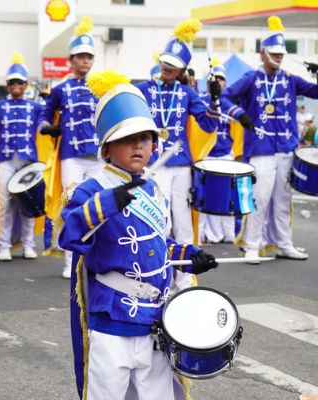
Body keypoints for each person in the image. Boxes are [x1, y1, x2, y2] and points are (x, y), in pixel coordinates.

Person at [58, 71, 219, 399]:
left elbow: (159, 246)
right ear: (105, 149)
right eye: (126, 139)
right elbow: (68, 234)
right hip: (112, 319)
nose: (138, 145)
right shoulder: (91, 189)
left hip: (155, 319)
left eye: (145, 139)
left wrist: (190, 257)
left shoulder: (154, 188)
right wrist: (108, 202)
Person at [223, 16, 318, 263]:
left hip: (286, 148)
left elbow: (316, 93)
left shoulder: (290, 79)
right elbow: (224, 97)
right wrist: (240, 115)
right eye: (274, 53)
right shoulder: (250, 78)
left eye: (281, 54)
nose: (278, 57)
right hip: (260, 147)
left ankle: (284, 243)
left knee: (283, 200)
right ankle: (252, 244)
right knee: (260, 198)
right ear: (262, 53)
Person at [134, 18, 226, 244]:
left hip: (181, 165)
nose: (167, 67)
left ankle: (185, 278)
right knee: (161, 219)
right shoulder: (142, 89)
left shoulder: (187, 93)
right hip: (154, 164)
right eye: (166, 62)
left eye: (173, 64)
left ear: (181, 70)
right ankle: (160, 273)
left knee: (183, 220)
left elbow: (208, 124)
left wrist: (215, 100)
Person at [41, 16, 102, 278]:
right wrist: (47, 126)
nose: (85, 61)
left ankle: (97, 258)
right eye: (80, 56)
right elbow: (45, 111)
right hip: (71, 156)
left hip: (100, 156)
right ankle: (70, 261)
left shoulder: (102, 85)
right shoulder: (61, 87)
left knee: (99, 206)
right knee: (73, 205)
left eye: (89, 56)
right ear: (71, 60)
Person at [0, 53, 47, 262]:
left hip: (28, 161)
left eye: (20, 82)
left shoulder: (35, 107)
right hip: (5, 159)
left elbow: (47, 117)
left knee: (28, 203)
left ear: (25, 85)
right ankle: (4, 245)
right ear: (7, 85)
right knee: (5, 203)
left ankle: (28, 244)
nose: (16, 85)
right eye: (12, 82)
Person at [198, 61, 248, 244]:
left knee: (226, 198)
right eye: (215, 78)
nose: (218, 82)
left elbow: (239, 131)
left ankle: (228, 235)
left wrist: (238, 154)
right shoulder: (200, 100)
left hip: (226, 155)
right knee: (204, 199)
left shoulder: (228, 103)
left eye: (221, 79)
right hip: (205, 156)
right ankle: (204, 235)